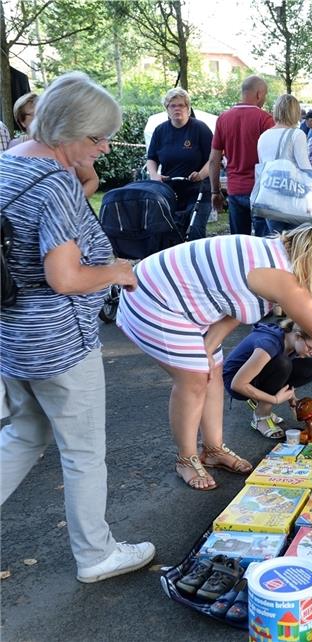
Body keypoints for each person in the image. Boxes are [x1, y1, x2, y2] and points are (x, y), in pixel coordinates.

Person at [0, 71, 155, 584]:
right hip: (58, 344)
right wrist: (117, 271)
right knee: (85, 453)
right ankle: (96, 555)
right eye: (96, 138)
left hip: (12, 334)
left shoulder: (8, 163)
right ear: (66, 130)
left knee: (25, 432)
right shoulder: (55, 184)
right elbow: (65, 277)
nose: (105, 147)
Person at [117, 224, 312, 490]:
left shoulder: (273, 255)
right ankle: (186, 458)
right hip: (152, 298)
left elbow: (233, 300)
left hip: (182, 302)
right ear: (307, 259)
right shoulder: (280, 276)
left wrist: (209, 346)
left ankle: (212, 449)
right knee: (193, 381)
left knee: (210, 372)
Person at [223, 319, 312, 438]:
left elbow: (283, 369)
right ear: (298, 336)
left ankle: (259, 400)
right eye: (311, 348)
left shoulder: (291, 341)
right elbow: (237, 385)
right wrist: (274, 399)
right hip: (236, 380)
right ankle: (261, 416)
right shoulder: (269, 344)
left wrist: (292, 398)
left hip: (257, 372)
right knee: (283, 363)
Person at [209, 75, 275, 236]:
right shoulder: (265, 119)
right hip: (260, 191)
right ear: (259, 94)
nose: (264, 99)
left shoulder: (223, 118)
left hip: (235, 190)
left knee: (239, 243)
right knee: (264, 243)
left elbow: (213, 160)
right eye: (264, 95)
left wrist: (215, 191)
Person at [146, 88, 213, 241]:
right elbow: (151, 158)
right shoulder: (160, 131)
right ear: (167, 109)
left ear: (187, 108)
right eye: (172, 105)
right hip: (171, 190)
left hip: (199, 190)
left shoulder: (200, 128)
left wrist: (201, 174)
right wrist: (154, 176)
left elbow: (214, 158)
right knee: (173, 230)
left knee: (195, 229)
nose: (177, 109)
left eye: (181, 105)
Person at [8, 92, 99, 196]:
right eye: (35, 114)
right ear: (21, 121)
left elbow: (92, 180)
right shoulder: (13, 147)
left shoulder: (67, 143)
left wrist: (73, 202)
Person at [255, 93, 312, 234]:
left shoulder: (263, 136)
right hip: (292, 201)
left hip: (269, 201)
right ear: (295, 112)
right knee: (298, 246)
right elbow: (306, 170)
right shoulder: (297, 135)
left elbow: (263, 166)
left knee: (277, 245)